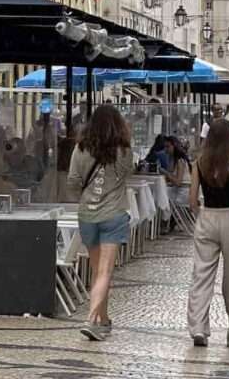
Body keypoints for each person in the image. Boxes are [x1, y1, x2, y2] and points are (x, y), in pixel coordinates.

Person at [187, 118, 229, 348]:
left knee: (201, 274)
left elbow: (192, 198)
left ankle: (198, 328)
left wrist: (200, 214)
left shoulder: (199, 163)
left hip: (207, 217)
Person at [67, 105, 134, 341]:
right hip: (113, 215)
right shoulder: (123, 150)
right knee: (105, 271)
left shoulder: (80, 148)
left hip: (88, 215)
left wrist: (85, 196)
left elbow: (73, 181)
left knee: (98, 271)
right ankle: (91, 319)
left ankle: (103, 320)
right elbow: (128, 173)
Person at [163, 136, 192, 210]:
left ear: (174, 146)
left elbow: (178, 182)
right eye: (165, 147)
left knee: (161, 198)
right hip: (177, 191)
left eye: (168, 147)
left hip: (182, 193)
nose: (165, 149)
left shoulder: (180, 161)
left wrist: (165, 173)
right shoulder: (171, 159)